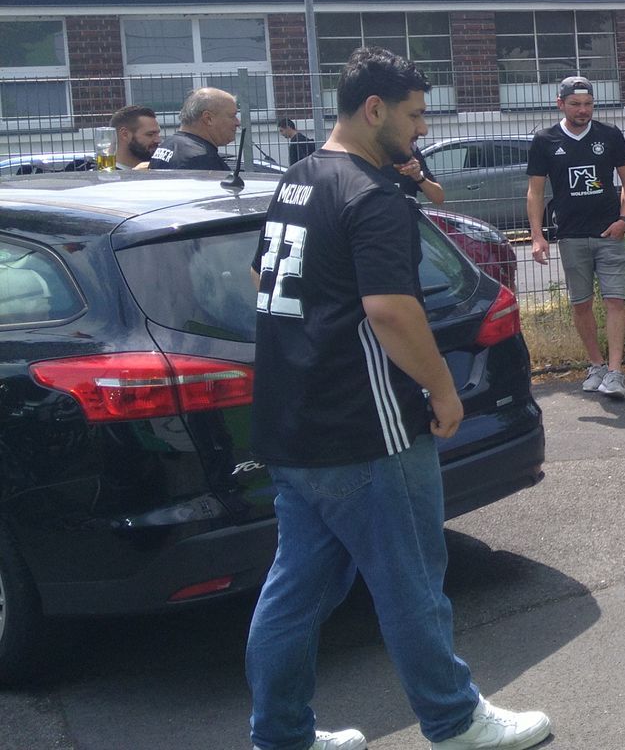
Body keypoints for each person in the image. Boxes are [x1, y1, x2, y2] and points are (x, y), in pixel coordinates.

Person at [246, 46, 550, 750]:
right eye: (414, 116)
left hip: (293, 426)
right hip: (365, 428)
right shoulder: (373, 196)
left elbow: (263, 271)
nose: (421, 130)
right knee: (413, 578)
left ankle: (281, 735)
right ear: (374, 109)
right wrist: (442, 390)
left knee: (293, 592)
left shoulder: (297, 178)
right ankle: (454, 719)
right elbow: (390, 311)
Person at [528, 75, 625, 401]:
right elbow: (534, 191)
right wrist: (537, 236)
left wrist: (624, 220)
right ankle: (596, 365)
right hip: (571, 236)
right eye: (575, 104)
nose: (583, 110)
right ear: (560, 104)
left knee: (615, 300)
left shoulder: (609, 136)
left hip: (609, 234)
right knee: (581, 303)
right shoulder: (545, 140)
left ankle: (616, 373)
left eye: (588, 104)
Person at [148, 87, 241, 170]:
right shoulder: (202, 159)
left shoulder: (167, 145)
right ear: (208, 118)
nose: (237, 123)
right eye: (232, 116)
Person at [108, 104, 161, 170]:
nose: (158, 140)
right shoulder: (102, 175)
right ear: (125, 134)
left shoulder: (161, 169)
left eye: (158, 134)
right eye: (150, 134)